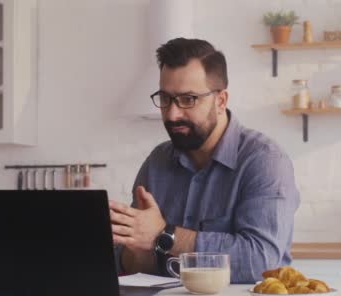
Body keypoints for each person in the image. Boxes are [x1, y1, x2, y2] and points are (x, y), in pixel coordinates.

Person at [109, 38, 300, 283]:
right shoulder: (157, 162)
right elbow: (130, 257)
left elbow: (260, 262)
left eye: (188, 99)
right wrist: (129, 249)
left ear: (220, 101)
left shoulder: (265, 161)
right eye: (165, 98)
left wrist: (164, 235)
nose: (172, 113)